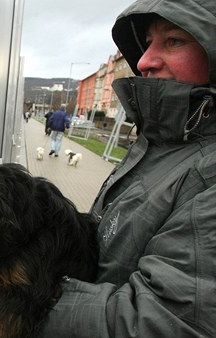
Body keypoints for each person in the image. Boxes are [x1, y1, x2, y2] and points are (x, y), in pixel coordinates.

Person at [38, 0, 216, 336]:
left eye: (173, 40)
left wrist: (17, 302)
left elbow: (168, 320)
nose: (145, 61)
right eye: (148, 43)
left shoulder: (206, 170)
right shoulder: (161, 142)